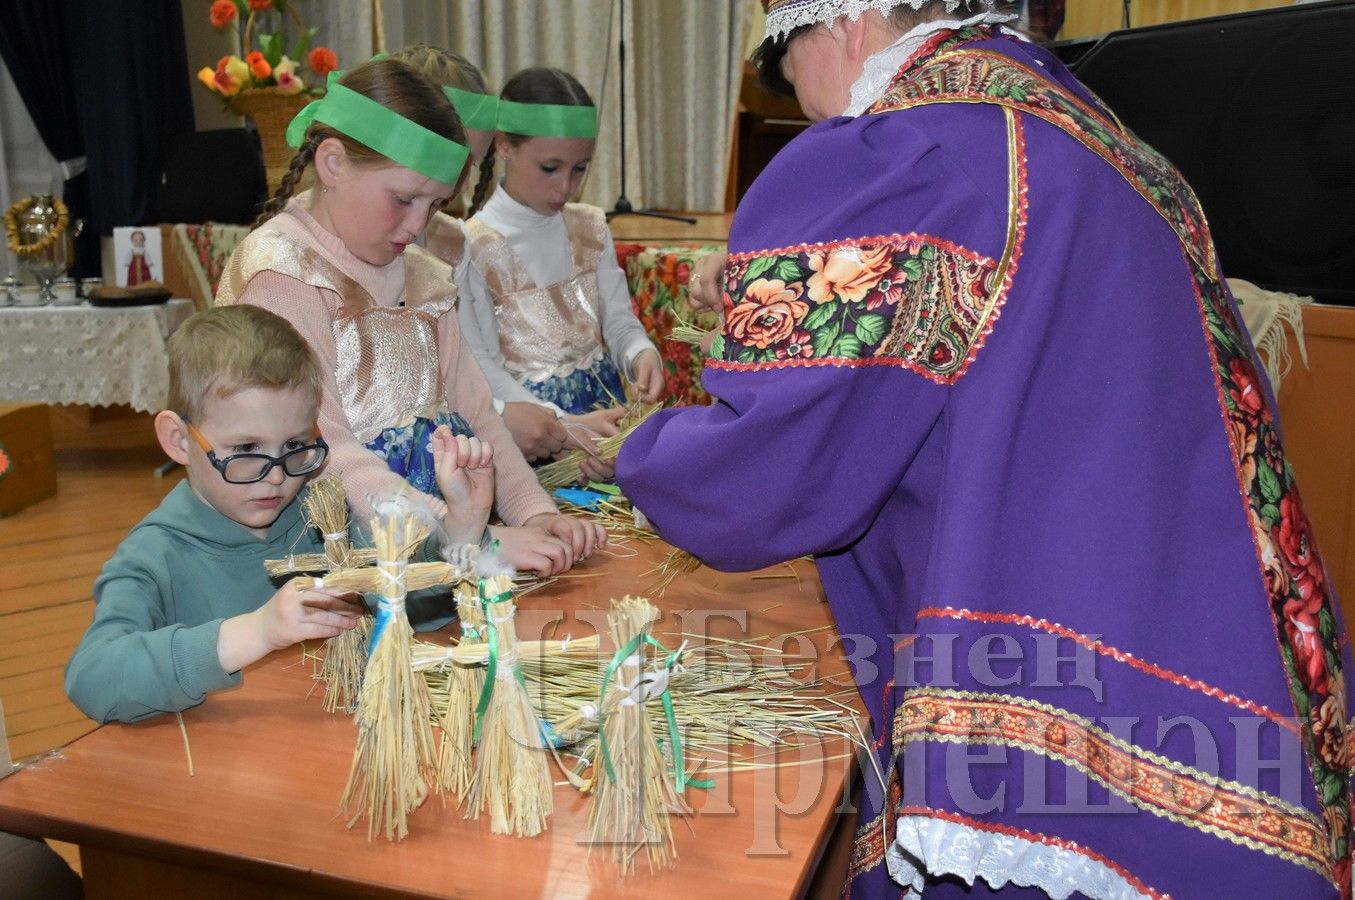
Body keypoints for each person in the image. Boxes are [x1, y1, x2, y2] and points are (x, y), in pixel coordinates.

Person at [618, 1, 1354, 897]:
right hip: (1202, 642)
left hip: (1044, 679)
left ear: (837, 25)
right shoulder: (1084, 129)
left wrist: (641, 451)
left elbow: (768, 477)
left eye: (791, 70)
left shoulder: (909, 153)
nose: (811, 111)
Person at [216, 58, 603, 575]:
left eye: (436, 203)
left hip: (443, 536)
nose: (418, 224)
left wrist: (533, 512)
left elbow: (478, 413)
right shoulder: (285, 275)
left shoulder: (422, 275)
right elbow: (324, 448)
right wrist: (468, 537)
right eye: (403, 199)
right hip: (346, 552)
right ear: (332, 164)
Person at [64, 304, 494, 724]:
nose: (276, 478)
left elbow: (413, 605)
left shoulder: (319, 519)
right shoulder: (153, 555)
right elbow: (93, 679)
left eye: (294, 446)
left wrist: (462, 527)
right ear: (178, 440)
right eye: (247, 449)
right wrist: (257, 631)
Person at [449, 67, 665, 479]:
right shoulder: (472, 245)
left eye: (580, 169)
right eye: (550, 168)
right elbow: (484, 369)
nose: (566, 187)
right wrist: (562, 427)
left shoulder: (591, 227)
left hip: (604, 415)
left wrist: (640, 350)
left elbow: (618, 321)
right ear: (504, 146)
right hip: (534, 432)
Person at [396, 47, 573, 466]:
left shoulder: (451, 242)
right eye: (448, 161)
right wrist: (500, 416)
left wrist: (566, 426)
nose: (457, 183)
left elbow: (477, 363)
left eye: (470, 164)